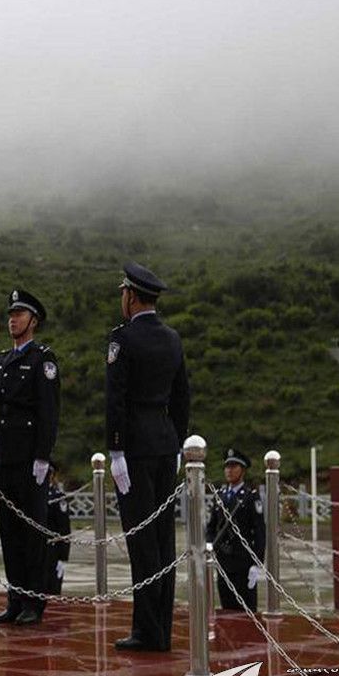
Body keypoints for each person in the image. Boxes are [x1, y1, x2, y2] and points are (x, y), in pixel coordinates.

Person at [106, 261, 190, 652]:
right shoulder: (172, 338)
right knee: (162, 540)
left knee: (141, 541)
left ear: (132, 297)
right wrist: (178, 443)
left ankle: (147, 631)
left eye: (123, 293)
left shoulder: (122, 339)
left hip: (135, 449)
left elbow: (116, 399)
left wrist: (116, 449)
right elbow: (182, 398)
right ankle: (161, 629)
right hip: (165, 444)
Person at [0, 289, 60, 625]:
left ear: (34, 321)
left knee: (32, 533)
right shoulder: (0, 361)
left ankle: (34, 602)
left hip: (31, 459)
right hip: (5, 457)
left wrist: (43, 456)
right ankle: (15, 600)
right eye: (11, 314)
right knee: (10, 533)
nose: (13, 319)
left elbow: (49, 412)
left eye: (20, 314)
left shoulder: (43, 360)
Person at [205, 448, 265, 611]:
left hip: (243, 563)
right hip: (223, 561)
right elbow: (211, 526)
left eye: (233, 467)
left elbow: (259, 532)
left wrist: (256, 564)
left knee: (246, 611)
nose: (229, 471)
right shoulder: (220, 495)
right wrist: (209, 546)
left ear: (242, 470)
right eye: (227, 467)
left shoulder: (250, 496)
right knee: (226, 608)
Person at [43, 462, 71, 596]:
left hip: (52, 549)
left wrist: (63, 557)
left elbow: (64, 527)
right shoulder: (33, 495)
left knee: (52, 591)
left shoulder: (57, 497)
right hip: (35, 547)